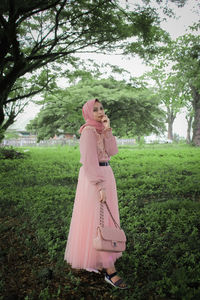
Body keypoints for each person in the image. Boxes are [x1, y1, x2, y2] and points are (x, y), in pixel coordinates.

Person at [64, 99, 128, 289]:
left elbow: (113, 151)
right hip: (94, 179)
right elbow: (89, 161)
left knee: (105, 219)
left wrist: (108, 130)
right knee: (97, 220)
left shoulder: (101, 129)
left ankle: (101, 258)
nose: (100, 112)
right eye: (95, 109)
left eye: (101, 108)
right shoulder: (88, 132)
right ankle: (110, 271)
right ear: (88, 113)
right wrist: (99, 185)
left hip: (107, 174)